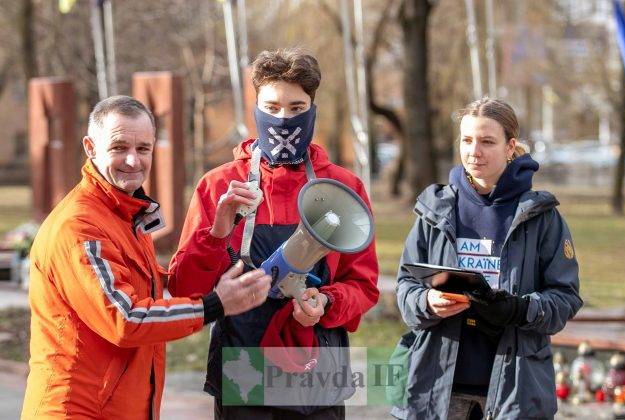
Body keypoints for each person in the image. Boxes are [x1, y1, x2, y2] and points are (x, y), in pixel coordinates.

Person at [21, 96, 271, 420]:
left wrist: (218, 233)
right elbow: (127, 319)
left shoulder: (125, 215)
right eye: (118, 147)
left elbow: (169, 288)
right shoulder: (79, 226)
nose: (132, 160)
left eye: (143, 149)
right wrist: (216, 305)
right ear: (90, 147)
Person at [168, 48, 379, 419]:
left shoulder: (344, 187)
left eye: (297, 108)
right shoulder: (218, 185)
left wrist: (326, 303)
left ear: (313, 108)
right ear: (255, 108)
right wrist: (217, 233)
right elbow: (184, 287)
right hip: (243, 364)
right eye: (272, 106)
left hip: (317, 361)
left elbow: (364, 285)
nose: (283, 119)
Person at [394, 98, 582, 420]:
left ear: (510, 147)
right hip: (437, 390)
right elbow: (405, 287)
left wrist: (519, 309)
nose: (474, 151)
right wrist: (427, 301)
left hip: (516, 393)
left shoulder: (542, 217)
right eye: (467, 140)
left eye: (487, 141)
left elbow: (565, 298)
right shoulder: (435, 209)